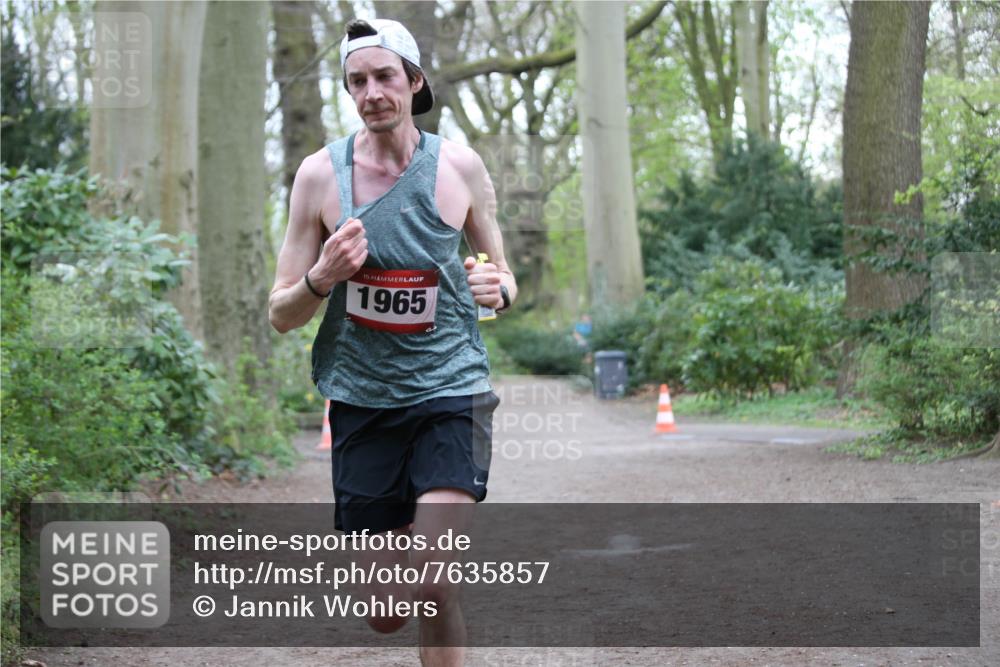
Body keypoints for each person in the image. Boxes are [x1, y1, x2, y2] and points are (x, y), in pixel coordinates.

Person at [267, 17, 516, 667]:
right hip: (363, 399)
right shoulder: (320, 177)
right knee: (384, 611)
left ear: (414, 82)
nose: (372, 91)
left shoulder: (460, 166)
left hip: (450, 388)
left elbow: (504, 274)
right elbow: (281, 313)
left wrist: (500, 290)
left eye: (384, 76)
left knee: (433, 581)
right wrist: (323, 277)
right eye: (357, 81)